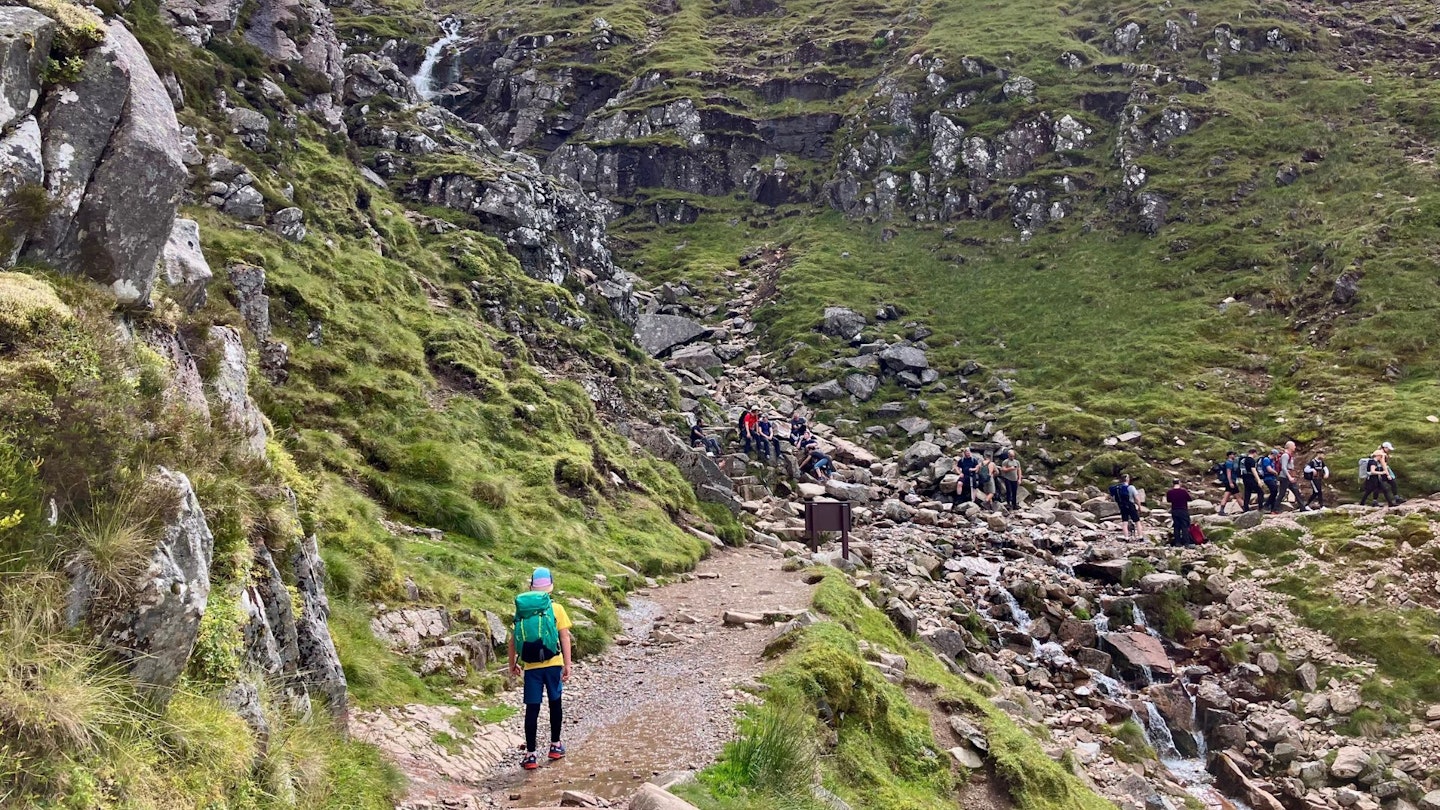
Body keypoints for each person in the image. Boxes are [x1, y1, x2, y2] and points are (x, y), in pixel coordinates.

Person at [508, 567, 572, 770]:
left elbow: (513, 640)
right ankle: (555, 746)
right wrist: (568, 664)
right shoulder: (557, 609)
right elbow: (564, 637)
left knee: (532, 709)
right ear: (550, 588)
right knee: (555, 703)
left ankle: (531, 755)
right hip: (553, 664)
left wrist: (512, 663)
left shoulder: (522, 611)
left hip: (531, 666)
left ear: (531, 587)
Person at [1108, 473, 1141, 541]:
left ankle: (1126, 537)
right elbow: (1136, 498)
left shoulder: (1117, 488)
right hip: (1130, 505)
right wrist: (1139, 506)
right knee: (1137, 521)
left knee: (1124, 522)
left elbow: (1110, 497)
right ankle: (1140, 536)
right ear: (1127, 479)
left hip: (1122, 506)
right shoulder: (1131, 487)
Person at [1165, 479, 1193, 546]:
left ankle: (1177, 542)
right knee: (1184, 526)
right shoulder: (1183, 491)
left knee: (1176, 526)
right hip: (1183, 510)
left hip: (1174, 510)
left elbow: (1168, 500)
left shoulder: (1170, 492)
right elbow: (1190, 499)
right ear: (1179, 483)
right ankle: (1186, 542)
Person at [1278, 441, 1304, 511]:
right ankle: (1275, 509)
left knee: (1296, 492)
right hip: (1285, 477)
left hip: (1289, 477)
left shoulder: (1289, 455)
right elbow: (1283, 467)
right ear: (1290, 447)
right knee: (1282, 493)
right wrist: (1289, 477)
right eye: (1294, 446)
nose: (1295, 447)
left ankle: (1303, 508)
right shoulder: (1285, 455)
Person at [1216, 451, 1240, 516]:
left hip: (1228, 481)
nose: (1234, 456)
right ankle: (1245, 509)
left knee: (1226, 496)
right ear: (1229, 455)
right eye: (1233, 454)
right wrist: (1231, 482)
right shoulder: (1229, 463)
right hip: (1231, 481)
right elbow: (1228, 473)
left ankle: (1221, 510)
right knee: (1238, 496)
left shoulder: (1230, 462)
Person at [1259, 449, 1280, 514]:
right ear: (1273, 454)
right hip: (1268, 478)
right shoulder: (1266, 459)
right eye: (1276, 455)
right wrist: (1276, 473)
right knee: (1274, 491)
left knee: (1274, 492)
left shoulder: (1272, 461)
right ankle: (1266, 505)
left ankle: (1273, 509)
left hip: (1272, 478)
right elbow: (1269, 469)